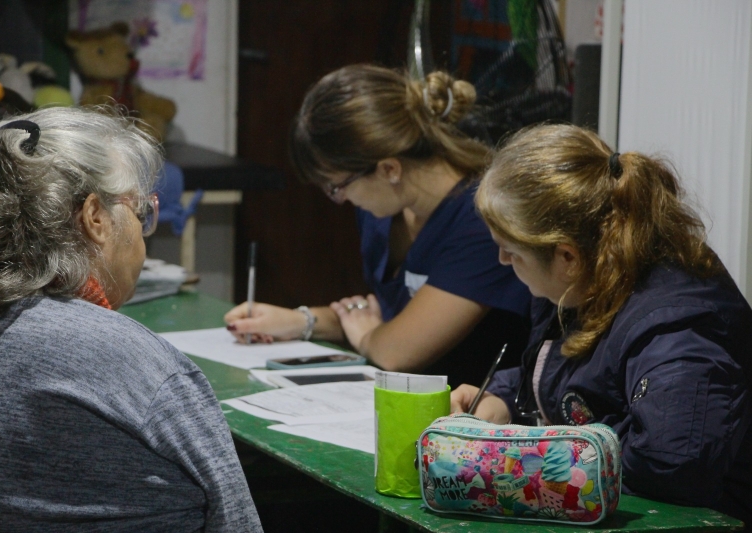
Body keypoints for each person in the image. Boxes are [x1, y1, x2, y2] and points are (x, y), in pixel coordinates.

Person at [0, 107, 263, 532]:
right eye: (139, 213)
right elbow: (237, 523)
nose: (141, 235)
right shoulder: (136, 363)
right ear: (96, 217)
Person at [450, 124, 752, 525]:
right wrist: (503, 399)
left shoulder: (679, 328)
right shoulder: (583, 280)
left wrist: (526, 454)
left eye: (510, 251)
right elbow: (565, 373)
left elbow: (671, 467)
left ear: (566, 256)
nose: (504, 263)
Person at [224, 64, 532, 387]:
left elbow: (396, 351)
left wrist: (370, 337)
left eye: (337, 185)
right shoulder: (383, 209)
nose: (340, 199)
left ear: (389, 169)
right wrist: (303, 321)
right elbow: (385, 318)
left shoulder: (481, 222)